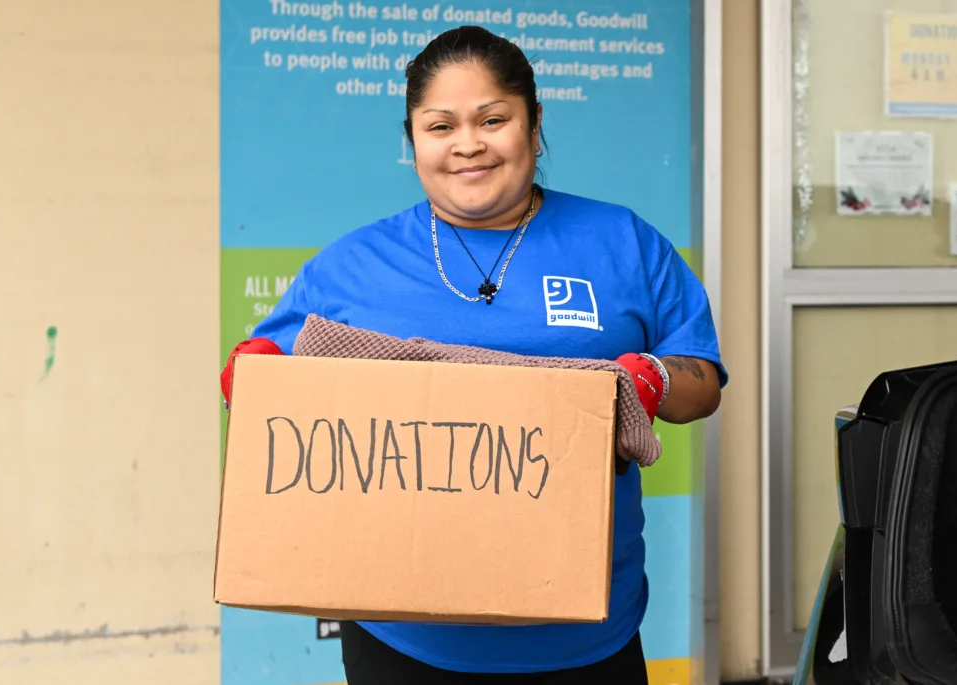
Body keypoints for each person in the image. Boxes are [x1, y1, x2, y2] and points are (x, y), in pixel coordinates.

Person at [220, 24, 727, 685]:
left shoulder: (622, 242)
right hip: (404, 641)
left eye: (494, 119)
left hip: (586, 636)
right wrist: (254, 372)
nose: (468, 145)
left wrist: (654, 380)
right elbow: (272, 374)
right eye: (440, 126)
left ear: (534, 123)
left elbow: (703, 379)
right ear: (412, 140)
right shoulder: (353, 265)